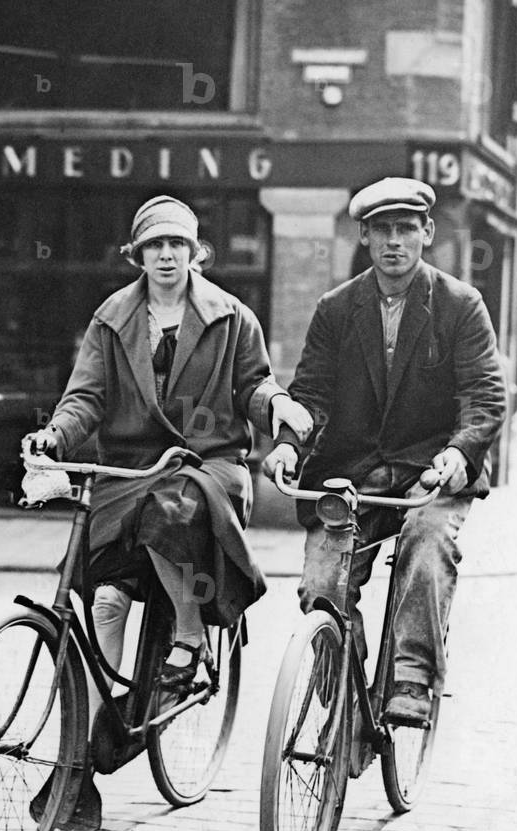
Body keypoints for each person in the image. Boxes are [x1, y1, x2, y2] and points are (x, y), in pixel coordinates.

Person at [29, 194, 311, 726]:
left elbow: (252, 384)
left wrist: (277, 405)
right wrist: (55, 435)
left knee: (167, 513)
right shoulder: (111, 319)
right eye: (154, 245)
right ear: (138, 255)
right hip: (132, 471)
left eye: (176, 244)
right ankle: (90, 733)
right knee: (106, 598)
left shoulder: (232, 317)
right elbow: (85, 397)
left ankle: (189, 635)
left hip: (209, 465)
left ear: (195, 252)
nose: (165, 255)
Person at [263, 177, 506, 724]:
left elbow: (485, 396)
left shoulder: (460, 305)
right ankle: (342, 699)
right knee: (323, 584)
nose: (394, 242)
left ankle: (411, 679)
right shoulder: (336, 308)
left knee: (426, 541)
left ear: (426, 232)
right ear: (365, 239)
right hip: (353, 474)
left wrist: (459, 453)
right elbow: (312, 393)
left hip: (432, 471)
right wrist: (286, 445)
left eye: (405, 229)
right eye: (381, 231)